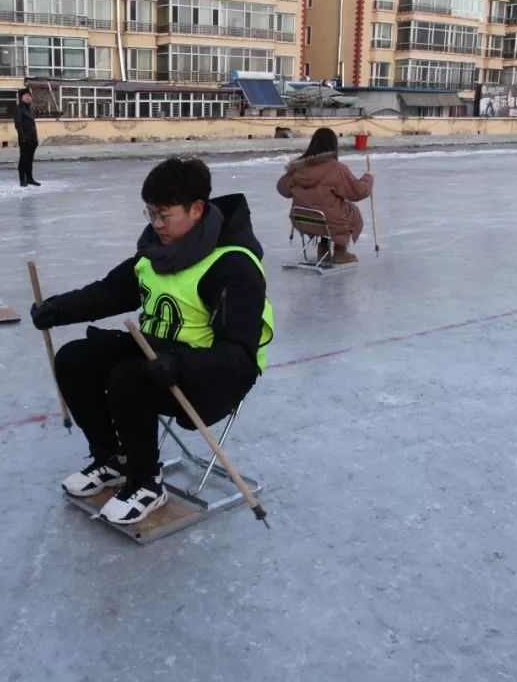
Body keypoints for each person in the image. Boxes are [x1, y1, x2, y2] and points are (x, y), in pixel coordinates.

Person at [30, 158, 274, 525]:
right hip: (160, 354)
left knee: (129, 378)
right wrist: (57, 308)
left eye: (164, 215)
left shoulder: (232, 266)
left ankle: (146, 483)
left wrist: (183, 365)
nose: (156, 225)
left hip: (214, 374)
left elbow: (239, 355)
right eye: (150, 214)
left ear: (196, 209)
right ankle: (114, 459)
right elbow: (112, 292)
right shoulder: (156, 253)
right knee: (75, 358)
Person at [276, 127, 374, 264]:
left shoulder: (299, 168)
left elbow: (282, 189)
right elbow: (358, 192)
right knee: (350, 211)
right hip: (329, 222)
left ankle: (323, 248)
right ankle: (340, 251)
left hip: (302, 220)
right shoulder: (336, 169)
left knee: (328, 208)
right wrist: (368, 178)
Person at [13, 89, 40, 187]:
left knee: (30, 159)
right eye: (25, 95)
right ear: (21, 97)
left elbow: (33, 125)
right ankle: (22, 180)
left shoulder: (30, 109)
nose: (28, 97)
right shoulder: (18, 108)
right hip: (25, 139)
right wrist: (23, 137)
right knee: (23, 159)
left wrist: (36, 138)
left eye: (29, 95)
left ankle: (30, 178)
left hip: (33, 139)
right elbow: (18, 124)